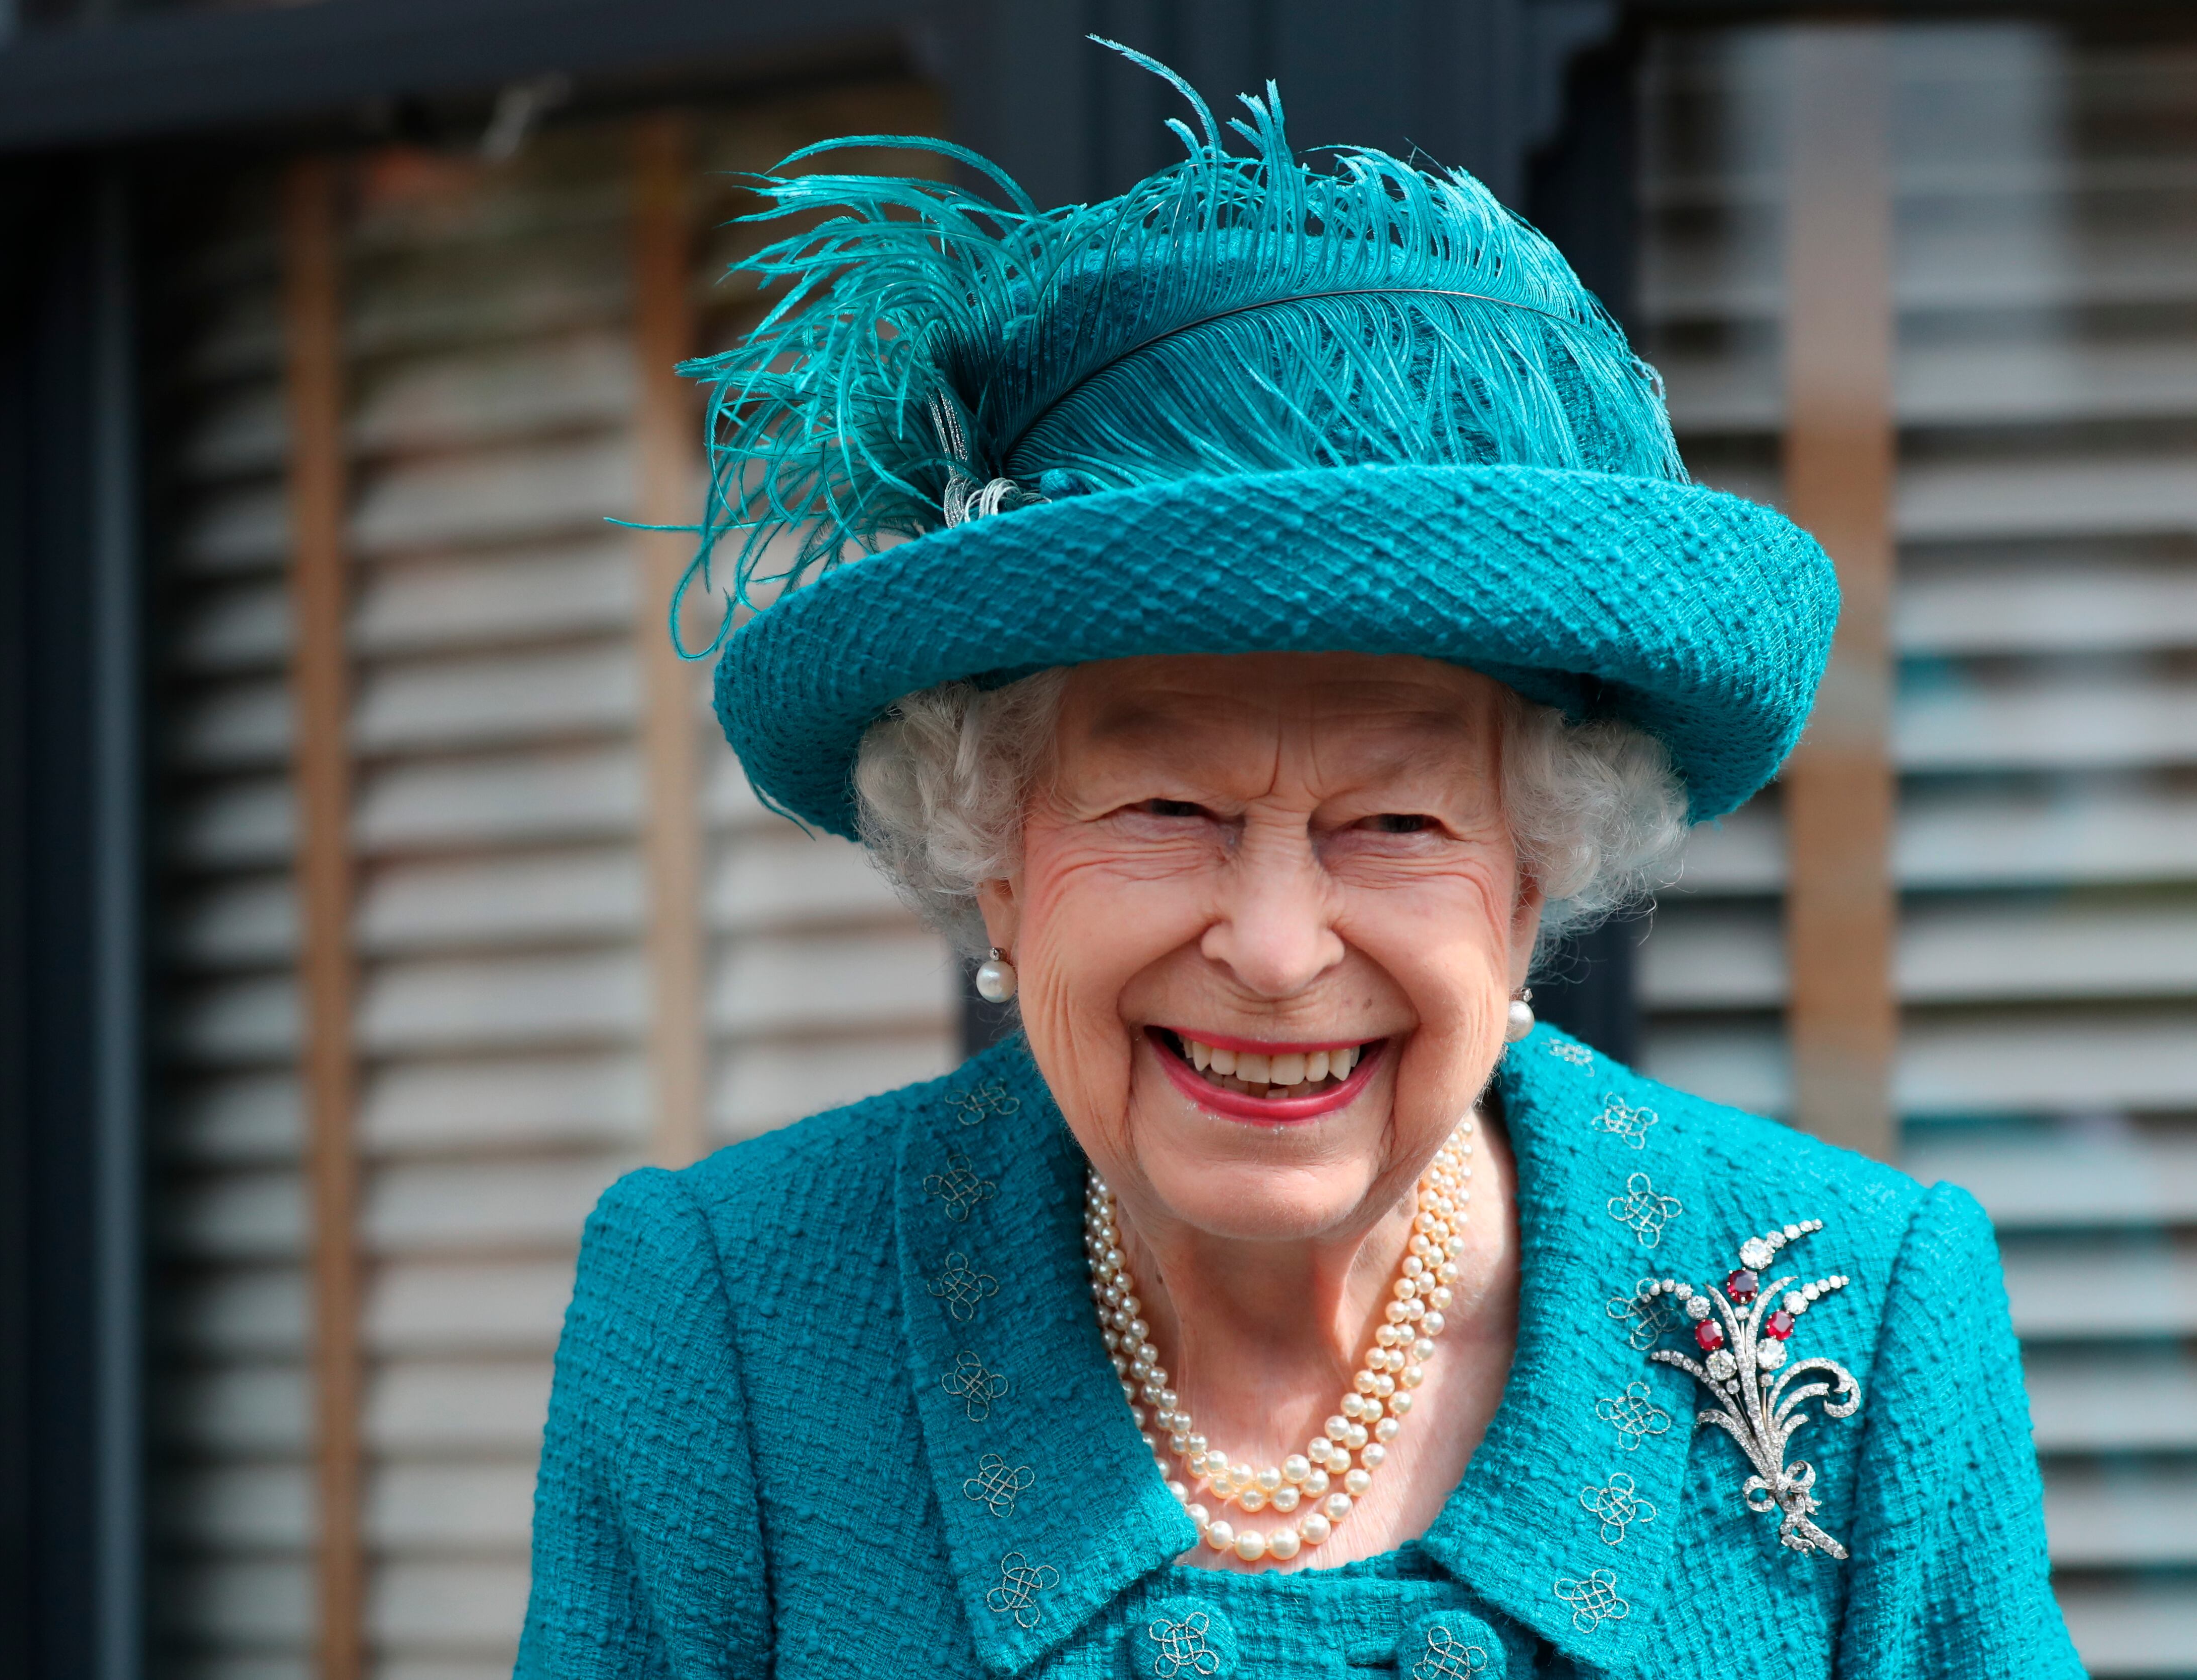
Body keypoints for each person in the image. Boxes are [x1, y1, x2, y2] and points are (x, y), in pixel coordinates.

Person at [517, 48, 2080, 1679]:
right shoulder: (731, 1325)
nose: (1273, 948)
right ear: (993, 852)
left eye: (1394, 825)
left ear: (1537, 875)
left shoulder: (1860, 1323)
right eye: (1166, 812)